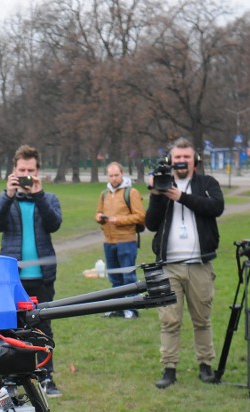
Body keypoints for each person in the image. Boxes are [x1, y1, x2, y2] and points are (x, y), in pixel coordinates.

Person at [144, 137, 225, 389]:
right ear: (170, 160)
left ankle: (205, 365)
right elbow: (151, 224)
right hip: (168, 265)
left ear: (195, 160)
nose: (181, 162)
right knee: (169, 320)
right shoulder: (161, 183)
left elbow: (216, 207)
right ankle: (169, 368)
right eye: (177, 158)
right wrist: (158, 195)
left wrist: (182, 196)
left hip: (199, 264)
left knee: (202, 318)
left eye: (186, 158)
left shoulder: (207, 183)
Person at [0, 144, 63, 397]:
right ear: (14, 170)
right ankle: (10, 379)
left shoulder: (49, 198)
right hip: (12, 278)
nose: (26, 175)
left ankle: (46, 376)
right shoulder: (7, 199)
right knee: (10, 328)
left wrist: (40, 195)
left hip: (42, 277)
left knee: (43, 328)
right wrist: (7, 194)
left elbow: (54, 224)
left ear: (38, 171)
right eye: (21, 170)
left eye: (30, 170)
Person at [95, 161, 146, 319]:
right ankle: (116, 307)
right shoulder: (104, 193)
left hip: (126, 240)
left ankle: (131, 309)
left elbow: (140, 216)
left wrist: (119, 220)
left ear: (122, 174)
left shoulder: (131, 193)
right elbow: (98, 212)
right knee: (114, 278)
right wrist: (99, 218)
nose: (114, 178)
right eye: (111, 175)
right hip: (109, 241)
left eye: (116, 175)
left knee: (128, 277)